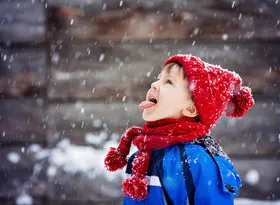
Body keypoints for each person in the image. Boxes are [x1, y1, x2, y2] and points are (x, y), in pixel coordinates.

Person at [104, 54, 255, 205]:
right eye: (159, 78)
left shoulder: (198, 161)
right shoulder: (140, 157)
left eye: (168, 82)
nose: (154, 84)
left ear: (190, 109)